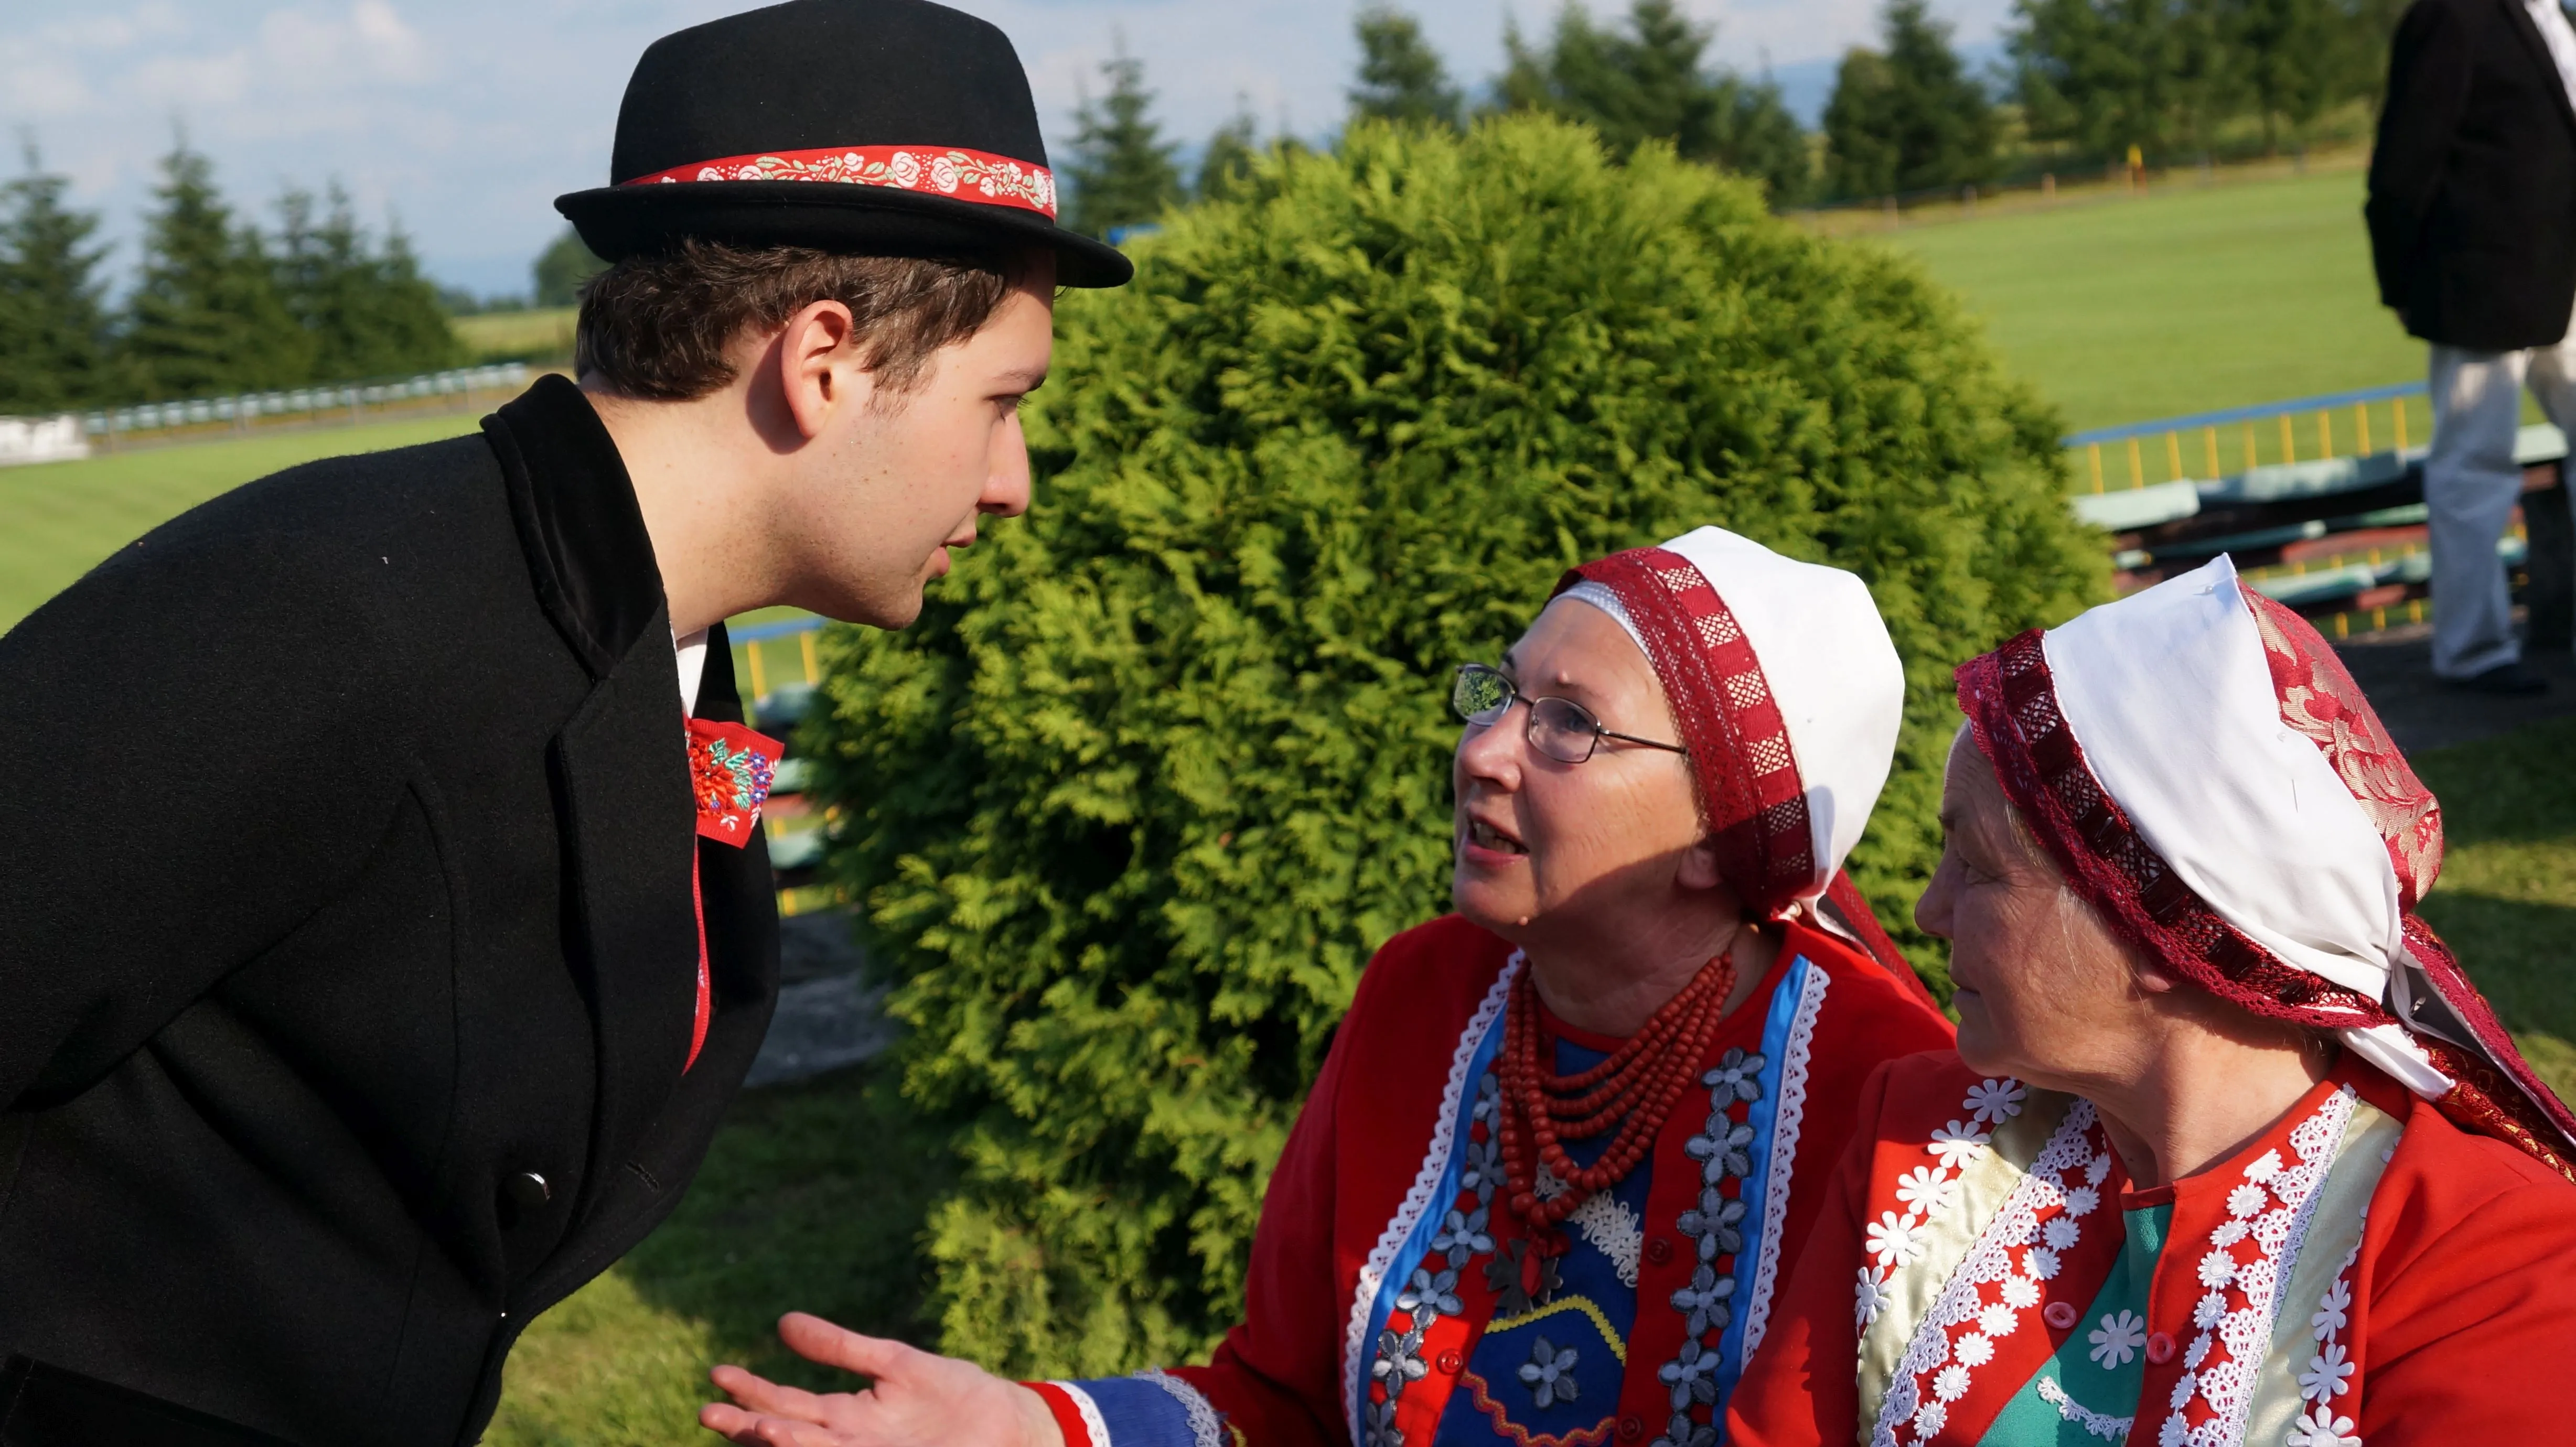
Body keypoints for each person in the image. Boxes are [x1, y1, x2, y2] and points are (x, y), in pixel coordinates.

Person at [0, 3, 1130, 1443]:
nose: (1013, 478)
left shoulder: (657, 641)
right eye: (1002, 403)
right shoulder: (323, 611)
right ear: (826, 358)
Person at [701, 526, 1958, 1447]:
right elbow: (1284, 1401)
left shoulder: (1885, 1095)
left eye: (1567, 725)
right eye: (1500, 695)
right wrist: (1029, 1431)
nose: (1483, 752)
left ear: (1725, 833)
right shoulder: (1426, 994)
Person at [1727, 556, 2576, 1447]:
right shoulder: (1924, 1139)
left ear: (2157, 925)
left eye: (1976, 866)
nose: (1927, 911)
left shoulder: (2483, 1258)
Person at [2365, 0, 2576, 694]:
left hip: (2565, 279)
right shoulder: (2453, 15)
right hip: (2483, 285)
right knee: (2473, 468)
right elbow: (2404, 157)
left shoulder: (2559, 14)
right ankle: (2472, 650)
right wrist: (2401, 282)